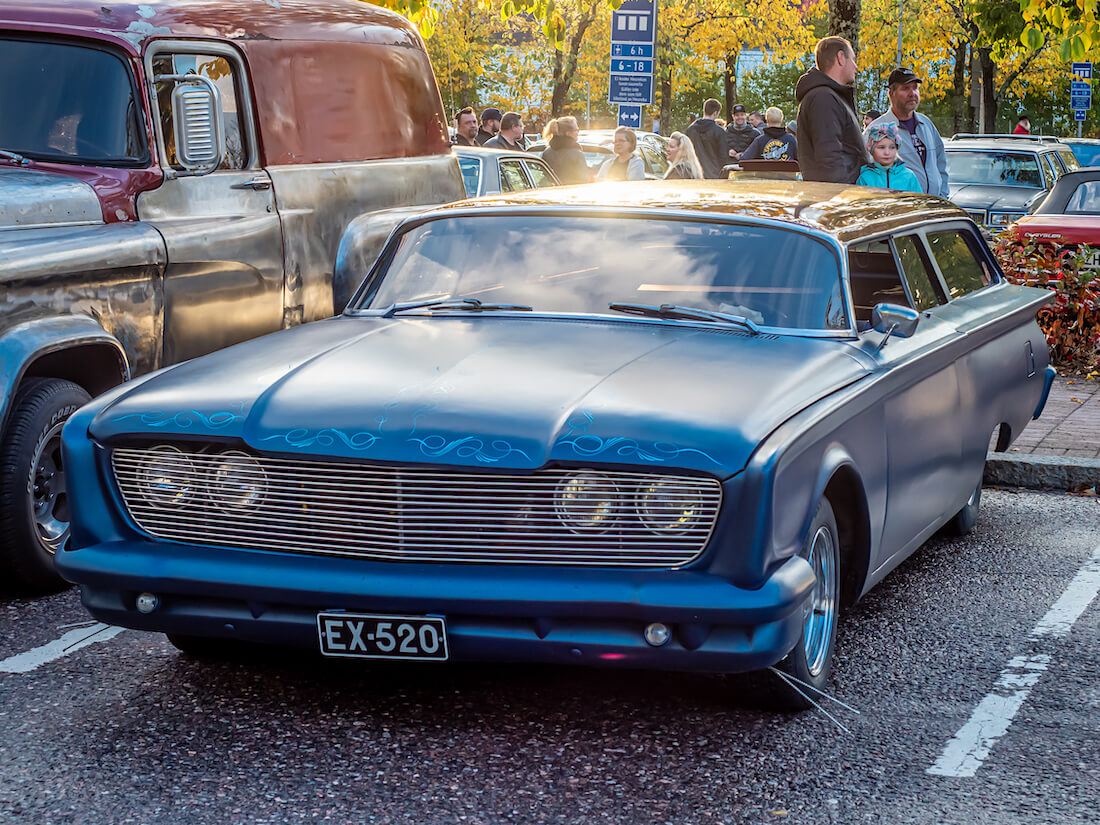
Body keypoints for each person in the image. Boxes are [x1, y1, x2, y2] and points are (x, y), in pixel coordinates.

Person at [864, 68, 949, 198]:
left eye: (915, 88)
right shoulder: (877, 129)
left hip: (932, 210)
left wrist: (942, 196)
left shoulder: (926, 124)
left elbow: (940, 163)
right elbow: (867, 174)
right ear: (891, 93)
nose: (912, 93)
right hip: (901, 212)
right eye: (905, 88)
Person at [794, 36, 868, 184]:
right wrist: (843, 198)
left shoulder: (827, 97)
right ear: (841, 58)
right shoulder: (823, 99)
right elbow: (829, 159)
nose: (856, 67)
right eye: (853, 60)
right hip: (837, 199)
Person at [856, 123, 922, 192]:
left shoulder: (909, 176)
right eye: (881, 147)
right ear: (871, 150)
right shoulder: (865, 177)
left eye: (892, 147)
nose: (887, 152)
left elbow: (919, 201)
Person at [685, 98, 729, 179]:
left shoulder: (690, 130)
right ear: (716, 113)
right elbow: (723, 157)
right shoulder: (719, 131)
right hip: (714, 176)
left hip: (694, 175)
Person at [540, 116, 590, 184]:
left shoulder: (547, 152)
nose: (578, 133)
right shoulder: (577, 153)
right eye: (576, 130)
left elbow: (543, 177)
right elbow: (584, 179)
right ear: (568, 133)